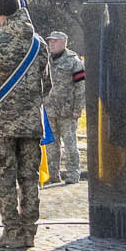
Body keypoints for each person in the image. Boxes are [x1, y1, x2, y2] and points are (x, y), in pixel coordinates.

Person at [0, 0, 53, 250]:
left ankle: (12, 233)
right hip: (31, 125)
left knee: (4, 180)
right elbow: (47, 85)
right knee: (29, 179)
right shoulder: (39, 44)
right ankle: (29, 232)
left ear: (0, 14)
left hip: (2, 126)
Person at [43, 31, 86, 184]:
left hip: (67, 112)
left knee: (70, 145)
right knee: (51, 146)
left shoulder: (74, 61)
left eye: (55, 41)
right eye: (50, 41)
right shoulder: (46, 60)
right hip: (49, 110)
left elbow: (81, 86)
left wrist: (77, 108)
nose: (51, 44)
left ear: (64, 42)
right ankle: (53, 174)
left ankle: (73, 174)